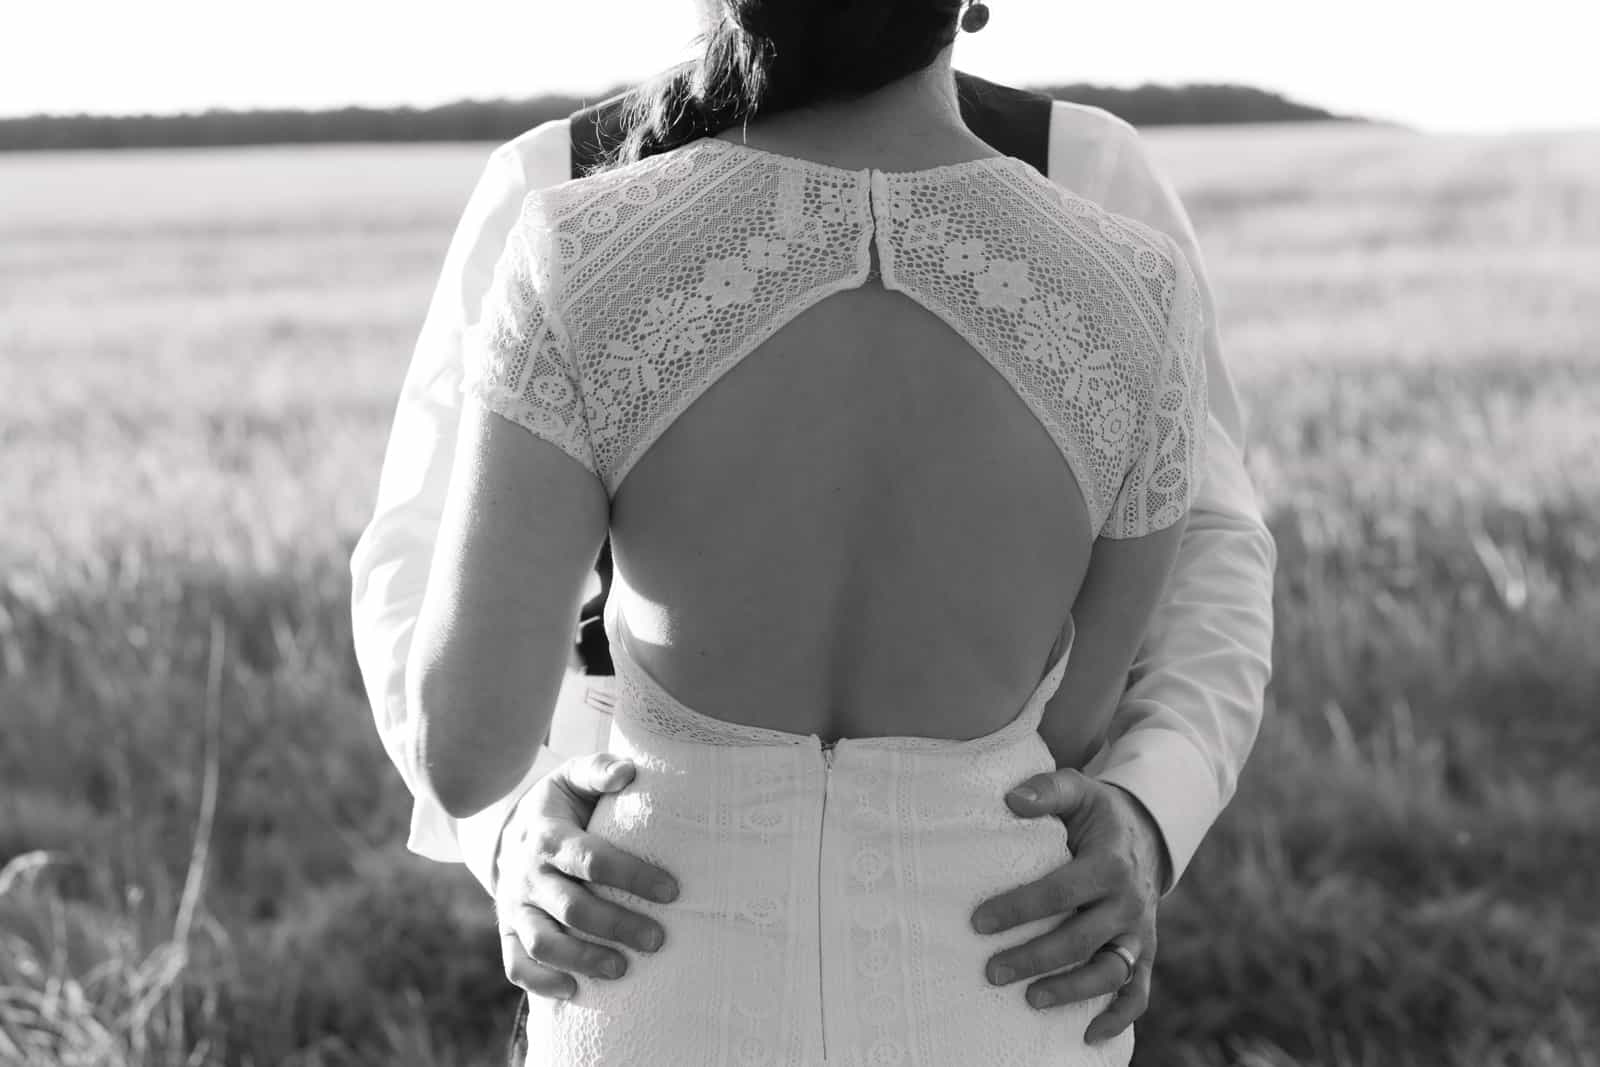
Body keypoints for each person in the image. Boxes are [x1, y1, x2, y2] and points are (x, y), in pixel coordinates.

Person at [349, 0, 1276, 1061]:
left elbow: (460, 735)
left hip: (655, 960)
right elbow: (1068, 722)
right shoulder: (1138, 281)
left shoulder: (569, 236)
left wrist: (1147, 818)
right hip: (1005, 968)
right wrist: (512, 832)